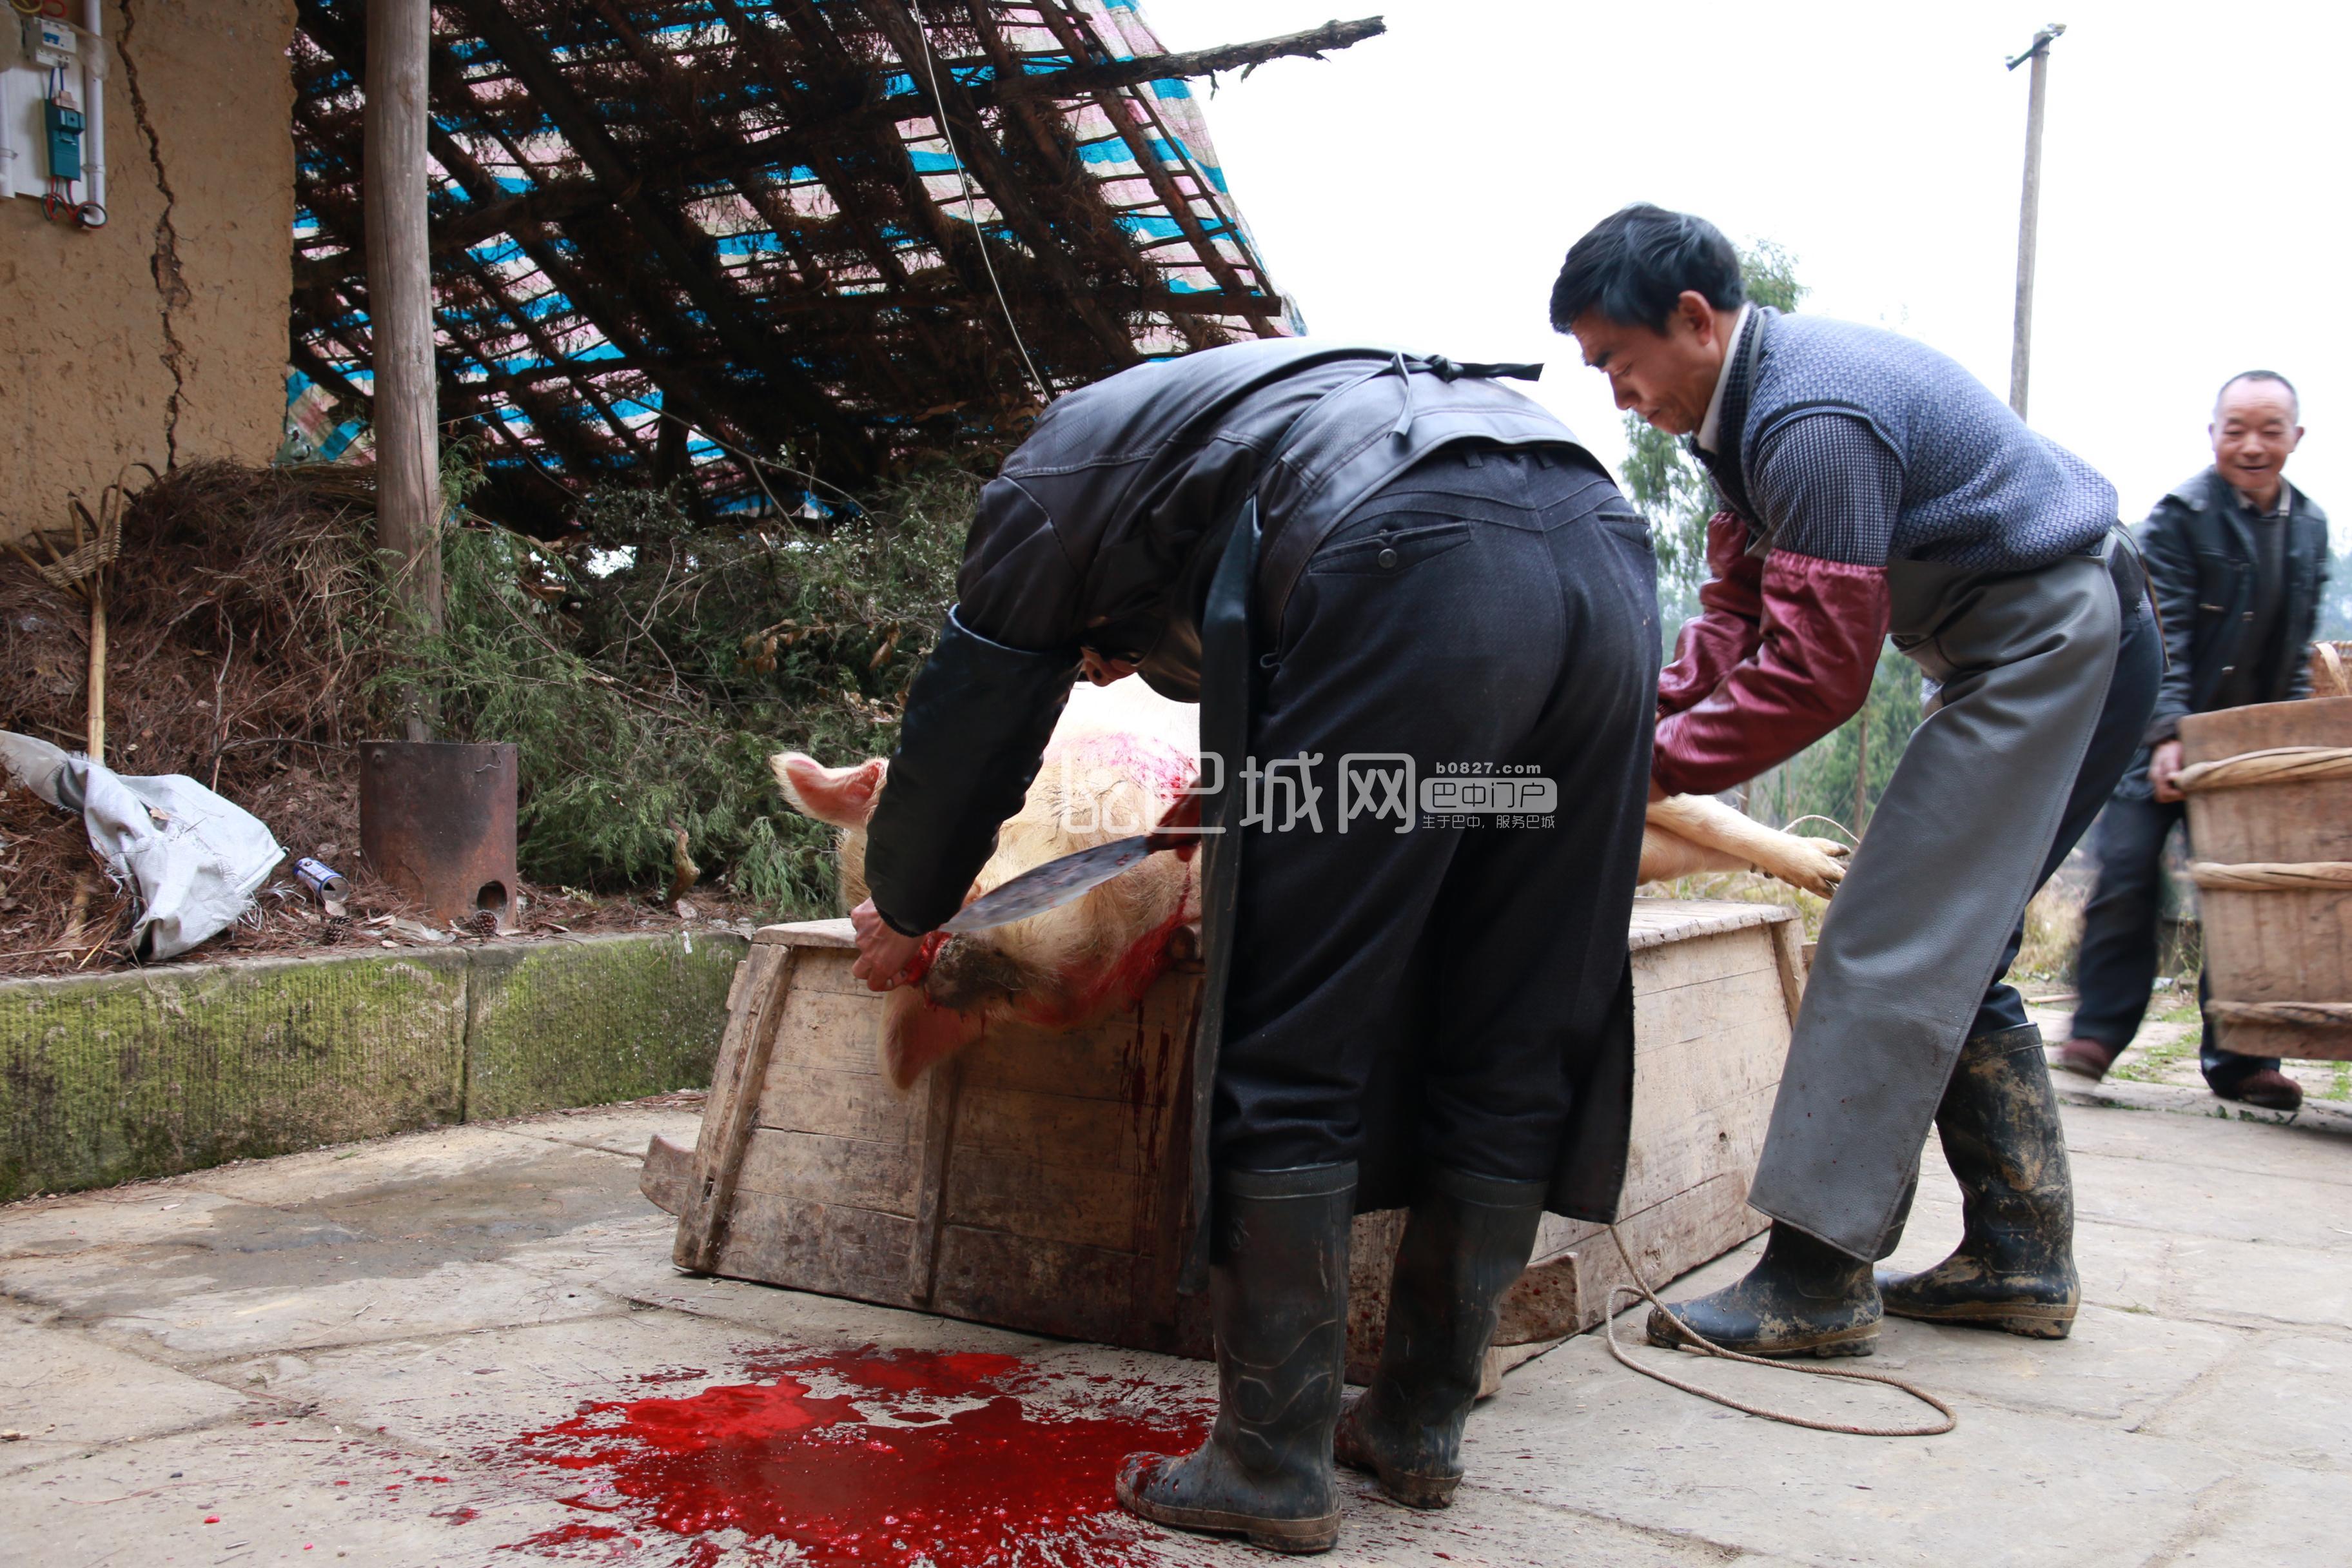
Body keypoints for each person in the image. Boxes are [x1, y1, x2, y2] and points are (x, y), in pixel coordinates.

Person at [843, 338, 1661, 1553]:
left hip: (1415, 564)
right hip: (1603, 563)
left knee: (1287, 1029)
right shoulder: (1239, 422)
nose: (1109, 670)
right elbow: (1261, 657)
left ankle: (1267, 1465)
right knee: (1512, 1010)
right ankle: (1418, 1422)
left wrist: (905, 906)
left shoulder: (1041, 486)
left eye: (1105, 654)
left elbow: (974, 712)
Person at [1554, 204, 2159, 1358]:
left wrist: (1635, 775)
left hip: (2055, 638)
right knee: (1952, 940)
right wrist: (1618, 729)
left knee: (1888, 932)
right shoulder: (1735, 427)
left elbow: (1816, 676)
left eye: (1616, 362)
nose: (1616, 395)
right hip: (2011, 642)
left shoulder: (1808, 417)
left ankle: (1816, 1279)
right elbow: (1735, 624)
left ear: (1690, 320)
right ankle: (2019, 1255)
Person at [2057, 373, 2329, 1112]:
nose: (2252, 444)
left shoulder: (2308, 528)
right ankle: (2095, 1038)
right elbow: (2162, 631)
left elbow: (2296, 649)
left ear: (2295, 438)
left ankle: (2243, 1057)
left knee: (2251, 897)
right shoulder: (2180, 517)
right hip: (2157, 732)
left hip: (2247, 750)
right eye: (2236, 427)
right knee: (2127, 874)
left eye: (2270, 429)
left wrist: (2288, 757)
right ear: (2213, 434)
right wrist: (2169, 737)